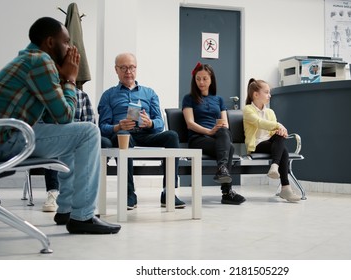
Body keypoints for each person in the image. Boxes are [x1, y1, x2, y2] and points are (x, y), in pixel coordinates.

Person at [0, 17, 121, 234]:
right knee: (89, 132)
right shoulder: (40, 62)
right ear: (50, 42)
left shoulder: (29, 59)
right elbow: (65, 115)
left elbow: (58, 120)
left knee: (75, 134)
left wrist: (63, 79)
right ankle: (82, 216)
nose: (70, 48)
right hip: (3, 141)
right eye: (65, 42)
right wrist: (71, 80)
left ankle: (66, 210)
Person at [98, 52, 185, 209]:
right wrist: (118, 126)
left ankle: (169, 192)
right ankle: (129, 193)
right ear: (116, 70)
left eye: (131, 67)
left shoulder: (149, 93)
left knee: (172, 136)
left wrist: (150, 123)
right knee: (123, 136)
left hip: (146, 135)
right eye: (123, 68)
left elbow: (160, 123)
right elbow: (102, 127)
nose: (128, 71)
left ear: (136, 69)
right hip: (123, 135)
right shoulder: (108, 95)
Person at [182, 63, 246, 205]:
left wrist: (218, 129)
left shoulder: (219, 99)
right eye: (198, 79)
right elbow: (190, 123)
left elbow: (225, 123)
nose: (201, 82)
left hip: (217, 138)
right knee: (230, 147)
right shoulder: (189, 98)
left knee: (224, 131)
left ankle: (222, 170)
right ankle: (227, 192)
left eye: (205, 78)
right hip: (198, 138)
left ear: (211, 80)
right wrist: (209, 131)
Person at [42, 88, 113, 212]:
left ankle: (73, 203)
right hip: (54, 135)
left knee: (100, 140)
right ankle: (53, 193)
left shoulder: (81, 95)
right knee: (59, 143)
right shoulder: (48, 92)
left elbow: (90, 123)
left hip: (78, 136)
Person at [243, 78, 300, 202]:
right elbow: (260, 123)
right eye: (267, 92)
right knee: (283, 150)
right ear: (256, 94)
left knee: (280, 139)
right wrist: (279, 125)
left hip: (271, 144)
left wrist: (279, 131)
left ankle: (275, 166)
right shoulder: (248, 109)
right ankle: (286, 189)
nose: (269, 95)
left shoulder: (270, 112)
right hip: (257, 145)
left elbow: (273, 130)